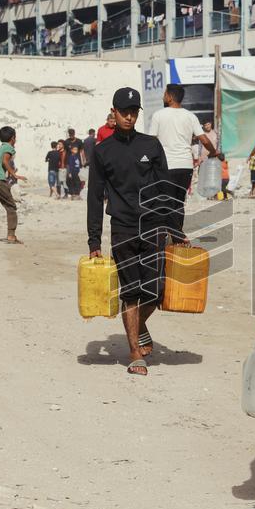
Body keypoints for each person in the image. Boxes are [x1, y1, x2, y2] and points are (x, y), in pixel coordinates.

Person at [88, 87, 171, 377]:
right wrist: (94, 239)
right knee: (131, 291)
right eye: (124, 111)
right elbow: (95, 197)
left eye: (134, 111)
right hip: (122, 227)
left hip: (153, 226)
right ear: (114, 111)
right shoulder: (101, 151)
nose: (130, 116)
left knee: (156, 291)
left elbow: (166, 188)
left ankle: (140, 325)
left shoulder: (151, 145)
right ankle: (135, 351)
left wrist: (173, 225)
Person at [148, 83, 221, 239]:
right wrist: (214, 152)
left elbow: (151, 142)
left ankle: (176, 235)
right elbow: (204, 139)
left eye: (164, 93)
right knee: (178, 202)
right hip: (185, 167)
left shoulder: (158, 115)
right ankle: (176, 237)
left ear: (169, 96)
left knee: (164, 202)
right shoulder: (190, 116)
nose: (163, 96)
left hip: (166, 166)